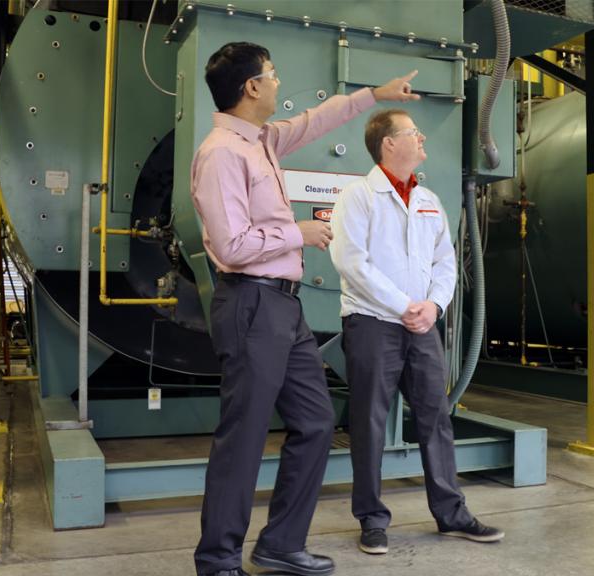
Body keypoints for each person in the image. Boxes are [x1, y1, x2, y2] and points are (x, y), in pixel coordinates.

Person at [189, 42, 420, 576]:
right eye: (271, 75)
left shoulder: (261, 141)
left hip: (282, 308)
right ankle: (218, 561)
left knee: (316, 421)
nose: (276, 82)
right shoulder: (222, 153)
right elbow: (230, 246)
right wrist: (299, 231)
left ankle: (280, 543)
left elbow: (314, 122)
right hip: (251, 302)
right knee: (243, 438)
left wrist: (373, 96)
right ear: (251, 87)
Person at [329, 109, 505, 556]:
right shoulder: (358, 195)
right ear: (389, 143)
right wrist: (403, 305)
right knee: (368, 421)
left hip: (422, 325)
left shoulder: (428, 199)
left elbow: (445, 260)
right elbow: (351, 262)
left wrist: (434, 306)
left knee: (436, 418)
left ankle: (452, 514)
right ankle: (371, 519)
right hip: (372, 323)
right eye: (413, 132)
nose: (422, 137)